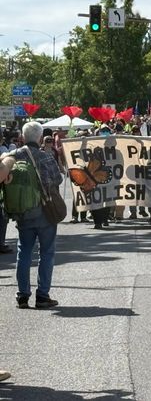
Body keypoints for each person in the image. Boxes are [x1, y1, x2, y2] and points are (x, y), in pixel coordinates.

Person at [8, 122, 63, 308]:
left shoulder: (12, 156)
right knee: (46, 253)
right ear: (40, 138)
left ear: (22, 137)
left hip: (23, 212)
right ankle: (42, 296)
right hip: (45, 212)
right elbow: (58, 178)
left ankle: (22, 296)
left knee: (24, 252)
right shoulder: (46, 156)